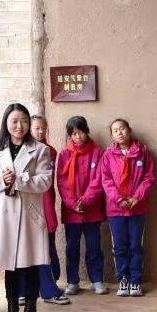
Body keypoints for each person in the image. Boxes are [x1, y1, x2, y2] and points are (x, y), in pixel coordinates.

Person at [0, 104, 54, 312]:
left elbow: (45, 181)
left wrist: (20, 180)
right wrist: (2, 180)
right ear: (6, 123)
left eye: (24, 121)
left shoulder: (40, 149)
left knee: (30, 265)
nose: (19, 126)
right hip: (4, 216)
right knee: (9, 267)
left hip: (29, 216)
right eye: (14, 121)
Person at [99, 118, 155, 298]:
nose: (119, 132)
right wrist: (118, 199)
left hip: (137, 208)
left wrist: (136, 197)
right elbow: (106, 181)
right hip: (116, 210)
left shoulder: (143, 153)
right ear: (112, 136)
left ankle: (135, 281)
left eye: (122, 128)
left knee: (135, 245)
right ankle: (123, 279)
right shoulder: (108, 155)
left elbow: (148, 178)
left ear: (129, 131)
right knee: (119, 247)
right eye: (115, 130)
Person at [57, 116, 106, 296]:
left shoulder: (98, 153)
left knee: (94, 246)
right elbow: (62, 182)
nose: (78, 137)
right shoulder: (64, 155)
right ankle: (72, 281)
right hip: (72, 211)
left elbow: (99, 180)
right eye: (74, 134)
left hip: (92, 209)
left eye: (81, 132)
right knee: (72, 248)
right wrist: (73, 203)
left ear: (87, 131)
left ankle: (96, 280)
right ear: (70, 135)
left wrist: (85, 200)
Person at [29, 115, 70, 305]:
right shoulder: (23, 151)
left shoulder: (51, 151)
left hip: (46, 204)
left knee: (47, 246)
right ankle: (27, 290)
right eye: (36, 128)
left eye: (43, 128)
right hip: (28, 207)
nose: (40, 132)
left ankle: (49, 287)